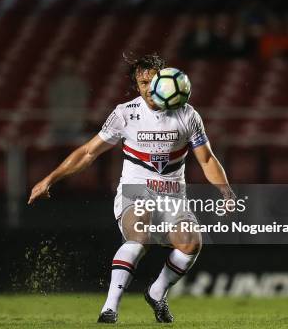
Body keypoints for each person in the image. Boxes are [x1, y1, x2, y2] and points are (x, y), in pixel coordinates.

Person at [28, 54, 235, 323]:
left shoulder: (187, 115)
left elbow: (206, 159)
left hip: (172, 195)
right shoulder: (125, 113)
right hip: (135, 190)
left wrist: (226, 191)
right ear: (137, 85)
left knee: (191, 244)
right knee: (140, 234)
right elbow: (88, 152)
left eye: (152, 81)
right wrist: (51, 178)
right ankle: (109, 308)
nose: (148, 87)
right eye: (142, 82)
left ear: (165, 80)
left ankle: (157, 292)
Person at [46, 57, 89, 142]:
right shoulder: (55, 83)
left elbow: (82, 101)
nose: (67, 68)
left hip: (75, 123)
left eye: (69, 65)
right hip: (59, 122)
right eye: (65, 65)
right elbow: (51, 100)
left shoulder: (79, 83)